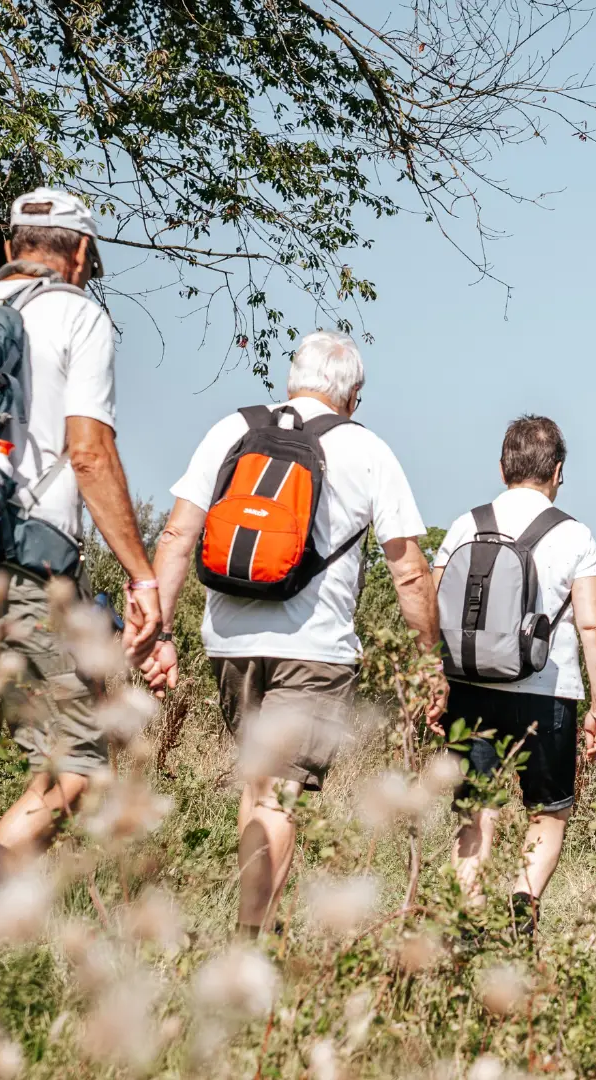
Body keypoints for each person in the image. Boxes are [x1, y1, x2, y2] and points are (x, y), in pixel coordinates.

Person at [139, 330, 442, 939]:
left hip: (230, 642)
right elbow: (409, 571)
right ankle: (251, 942)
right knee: (280, 795)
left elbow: (175, 537)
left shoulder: (231, 429)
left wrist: (158, 632)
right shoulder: (367, 451)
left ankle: (255, 926)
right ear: (353, 396)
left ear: (291, 379)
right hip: (314, 648)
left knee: (258, 787)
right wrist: (428, 658)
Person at [0, 188, 160, 900]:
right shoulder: (79, 316)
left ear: (8, 247)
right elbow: (88, 453)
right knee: (79, 768)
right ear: (82, 254)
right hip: (27, 559)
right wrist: (140, 575)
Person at [436, 416, 596, 939]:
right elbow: (592, 624)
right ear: (558, 471)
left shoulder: (466, 525)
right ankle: (522, 901)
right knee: (548, 814)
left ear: (502, 467)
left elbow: (434, 603)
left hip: (470, 687)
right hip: (548, 692)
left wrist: (432, 677)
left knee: (477, 811)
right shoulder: (575, 535)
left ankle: (466, 918)